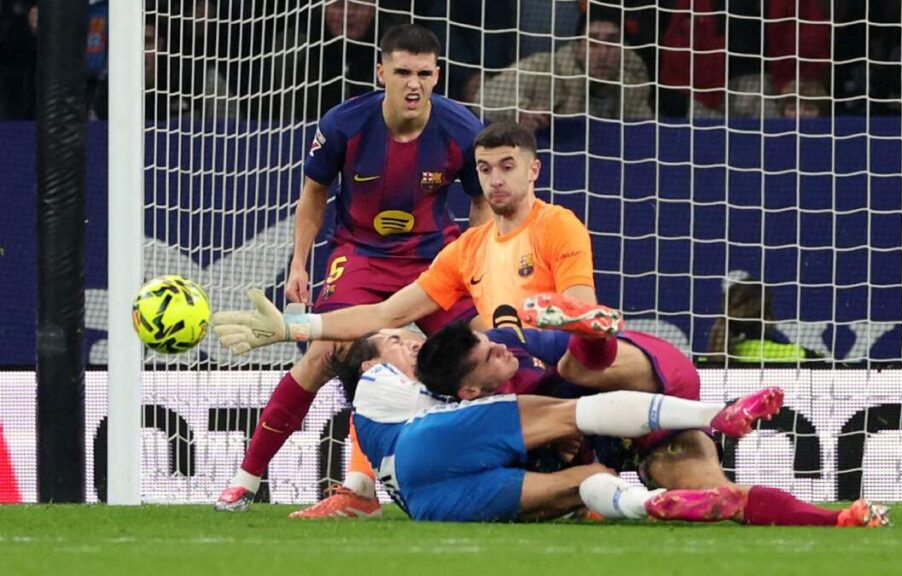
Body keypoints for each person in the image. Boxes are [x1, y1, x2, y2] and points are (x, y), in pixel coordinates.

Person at [214, 23, 489, 512]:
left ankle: (540, 480)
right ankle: (246, 480)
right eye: (402, 71)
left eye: (424, 73)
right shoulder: (344, 124)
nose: (413, 84)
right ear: (380, 71)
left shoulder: (462, 129)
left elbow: (480, 205)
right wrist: (300, 263)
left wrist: (476, 265)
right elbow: (314, 195)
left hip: (434, 257)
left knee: (485, 352)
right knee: (323, 352)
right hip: (361, 254)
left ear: (437, 75)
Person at [406, 296, 888, 527]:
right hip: (631, 442)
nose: (500, 350)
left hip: (650, 380)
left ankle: (592, 332)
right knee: (723, 498)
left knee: (580, 367)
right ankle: (838, 519)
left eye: (491, 341)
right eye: (487, 355)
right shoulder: (464, 426)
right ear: (467, 391)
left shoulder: (515, 344)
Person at [293, 326, 784, 522]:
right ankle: (716, 414)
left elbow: (365, 474)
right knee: (572, 414)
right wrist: (310, 329)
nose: (413, 342)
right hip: (433, 446)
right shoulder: (380, 381)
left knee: (584, 484)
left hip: (432, 503)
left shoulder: (371, 416)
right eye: (398, 341)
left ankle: (652, 504)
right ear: (370, 365)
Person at [212, 121, 598, 354]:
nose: (495, 179)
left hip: (561, 373)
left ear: (534, 171)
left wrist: (520, 340)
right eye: (484, 168)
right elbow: (386, 314)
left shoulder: (557, 225)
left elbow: (583, 314)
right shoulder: (466, 249)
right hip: (511, 385)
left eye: (507, 167)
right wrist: (292, 327)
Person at [471, 7, 652, 132]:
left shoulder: (634, 83)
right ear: (578, 47)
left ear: (624, 49)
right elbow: (484, 96)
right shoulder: (543, 68)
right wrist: (520, 111)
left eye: (612, 42)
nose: (603, 53)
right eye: (594, 42)